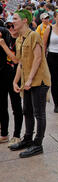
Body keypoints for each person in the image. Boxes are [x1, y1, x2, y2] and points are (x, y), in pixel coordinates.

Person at [10, 9, 51, 159]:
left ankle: (37, 144)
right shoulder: (20, 38)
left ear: (25, 20)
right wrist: (16, 81)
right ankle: (27, 139)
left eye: (15, 19)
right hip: (27, 81)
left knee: (39, 113)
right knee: (26, 110)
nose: (12, 21)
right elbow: (20, 62)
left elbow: (38, 58)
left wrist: (29, 79)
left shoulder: (33, 35)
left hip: (39, 80)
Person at [0, 16, 22, 146]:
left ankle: (17, 135)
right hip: (3, 75)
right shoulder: (5, 38)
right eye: (8, 26)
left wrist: (2, 45)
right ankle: (4, 133)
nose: (11, 29)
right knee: (2, 105)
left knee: (16, 106)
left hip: (16, 76)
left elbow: (15, 60)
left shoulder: (21, 40)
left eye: (13, 25)